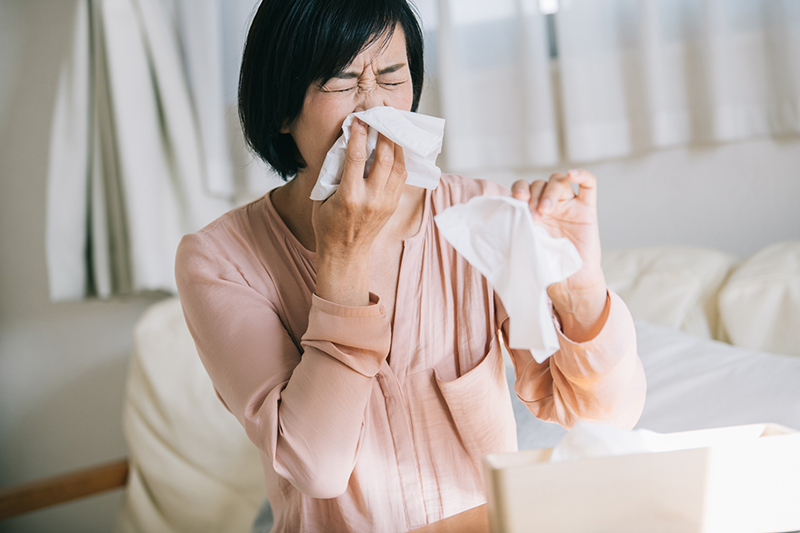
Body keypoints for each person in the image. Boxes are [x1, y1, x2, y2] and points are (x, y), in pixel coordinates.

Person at [175, 0, 646, 531]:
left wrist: (581, 291)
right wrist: (344, 256)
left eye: (392, 76)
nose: (373, 107)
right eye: (341, 81)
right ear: (281, 108)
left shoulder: (478, 217)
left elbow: (602, 420)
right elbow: (318, 466)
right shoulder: (219, 260)